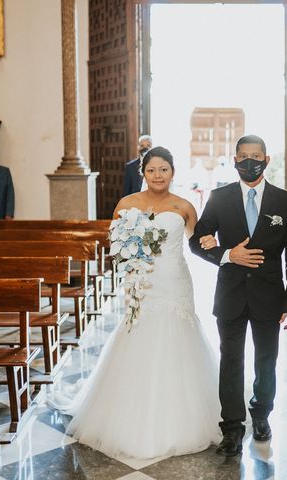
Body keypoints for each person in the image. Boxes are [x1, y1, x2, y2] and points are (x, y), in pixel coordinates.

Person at [56, 146, 221, 460]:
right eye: (151, 170)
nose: (158, 176)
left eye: (164, 169)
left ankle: (183, 413)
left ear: (173, 171)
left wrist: (213, 243)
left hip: (174, 281)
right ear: (142, 173)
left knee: (178, 334)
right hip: (142, 284)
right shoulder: (127, 204)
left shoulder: (184, 206)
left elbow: (197, 243)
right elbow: (116, 245)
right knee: (139, 335)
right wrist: (131, 261)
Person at [189, 134, 287, 457]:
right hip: (231, 295)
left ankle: (262, 413)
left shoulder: (286, 202)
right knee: (231, 361)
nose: (249, 161)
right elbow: (197, 241)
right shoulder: (219, 197)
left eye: (256, 156)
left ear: (266, 161)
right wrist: (227, 255)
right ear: (235, 160)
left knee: (266, 361)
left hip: (270, 296)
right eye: (243, 156)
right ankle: (232, 427)